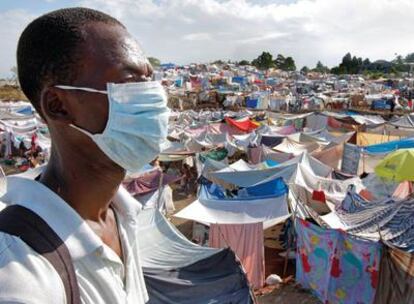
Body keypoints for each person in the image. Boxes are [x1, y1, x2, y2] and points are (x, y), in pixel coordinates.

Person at [0, 7, 169, 303]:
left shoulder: (122, 214)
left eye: (150, 80)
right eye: (130, 82)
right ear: (58, 105)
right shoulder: (19, 269)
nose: (153, 97)